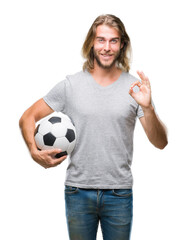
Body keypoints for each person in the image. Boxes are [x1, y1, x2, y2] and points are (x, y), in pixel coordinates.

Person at [19, 14, 168, 240]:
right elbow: (28, 117)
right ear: (91, 43)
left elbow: (161, 142)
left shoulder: (135, 89)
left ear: (122, 45)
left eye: (113, 41)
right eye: (101, 40)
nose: (106, 47)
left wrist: (148, 108)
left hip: (119, 193)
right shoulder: (70, 86)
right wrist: (33, 150)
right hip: (78, 192)